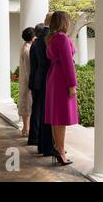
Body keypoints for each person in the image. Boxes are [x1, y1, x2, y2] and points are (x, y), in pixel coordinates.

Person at [45, 11, 79, 166]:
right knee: (60, 119)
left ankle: (58, 149)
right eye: (68, 20)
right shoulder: (62, 38)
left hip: (54, 77)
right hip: (61, 79)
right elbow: (67, 63)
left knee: (56, 118)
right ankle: (60, 151)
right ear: (63, 21)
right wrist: (72, 85)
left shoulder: (51, 37)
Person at [28, 18, 54, 157]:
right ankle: (46, 145)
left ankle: (39, 142)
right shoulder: (46, 38)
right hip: (45, 80)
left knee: (39, 112)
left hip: (38, 80)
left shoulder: (36, 43)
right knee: (45, 114)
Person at [18, 27, 35, 137]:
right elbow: (28, 68)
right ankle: (26, 128)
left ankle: (26, 128)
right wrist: (31, 83)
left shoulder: (24, 47)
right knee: (27, 104)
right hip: (27, 80)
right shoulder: (27, 50)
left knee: (26, 103)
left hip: (24, 79)